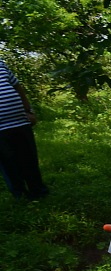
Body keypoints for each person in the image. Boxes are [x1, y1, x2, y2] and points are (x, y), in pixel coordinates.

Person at [0, 59, 48, 200]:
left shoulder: (1, 63)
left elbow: (17, 87)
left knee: (29, 158)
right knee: (8, 162)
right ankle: (19, 194)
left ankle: (38, 190)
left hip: (21, 121)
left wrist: (29, 110)